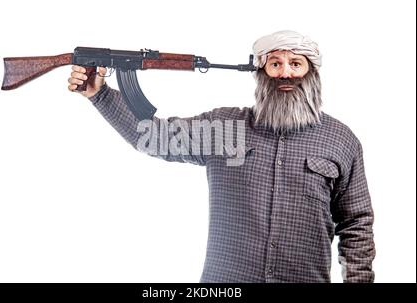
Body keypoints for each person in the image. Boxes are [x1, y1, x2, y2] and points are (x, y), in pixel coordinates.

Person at [67, 30, 375, 283]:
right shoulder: (227, 128)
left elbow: (356, 224)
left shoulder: (340, 140)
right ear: (262, 73)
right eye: (275, 64)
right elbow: (153, 137)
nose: (285, 73)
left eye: (296, 64)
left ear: (311, 74)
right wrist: (100, 94)